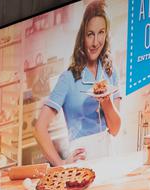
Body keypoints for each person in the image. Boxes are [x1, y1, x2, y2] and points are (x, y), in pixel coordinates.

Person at [34, 1, 123, 166]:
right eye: (90, 34)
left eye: (101, 32)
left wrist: (106, 101)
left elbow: (115, 130)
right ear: (82, 37)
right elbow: (40, 128)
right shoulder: (68, 78)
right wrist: (60, 164)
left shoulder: (110, 71)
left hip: (108, 154)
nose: (96, 42)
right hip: (81, 159)